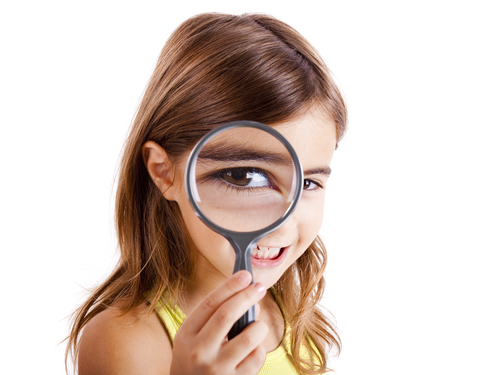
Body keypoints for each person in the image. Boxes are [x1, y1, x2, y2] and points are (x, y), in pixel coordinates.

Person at [66, 12, 347, 375]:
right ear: (164, 172)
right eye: (245, 177)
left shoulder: (294, 314)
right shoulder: (125, 341)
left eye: (308, 183)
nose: (284, 222)